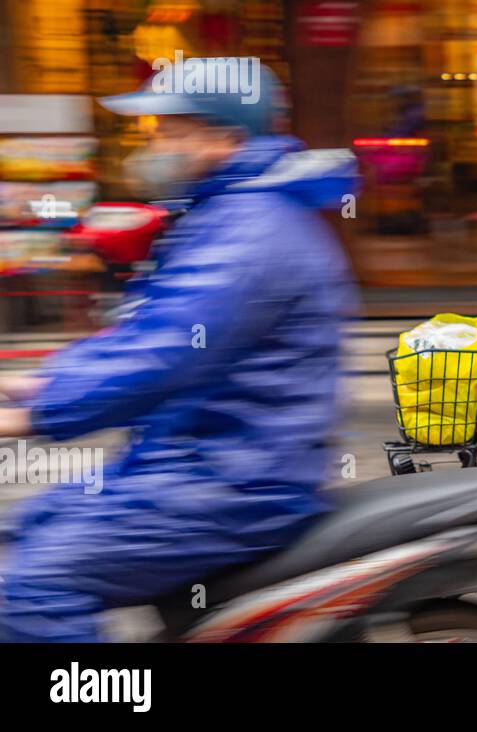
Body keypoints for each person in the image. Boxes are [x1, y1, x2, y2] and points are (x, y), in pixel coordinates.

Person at [0, 60, 359, 642]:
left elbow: (164, 355)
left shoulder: (250, 229)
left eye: (169, 130)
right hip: (188, 462)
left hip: (231, 482)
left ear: (226, 137)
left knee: (37, 589)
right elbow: (145, 335)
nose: (154, 145)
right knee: (31, 522)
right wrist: (44, 383)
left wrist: (36, 415)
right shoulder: (221, 213)